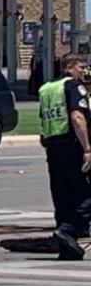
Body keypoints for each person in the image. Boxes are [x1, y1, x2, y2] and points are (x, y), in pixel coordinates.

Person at [38, 54, 91, 260]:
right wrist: (87, 149)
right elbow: (77, 117)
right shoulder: (73, 86)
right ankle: (69, 230)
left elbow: (44, 118)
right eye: (81, 67)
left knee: (62, 196)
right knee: (85, 192)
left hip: (53, 147)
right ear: (69, 67)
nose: (84, 71)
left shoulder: (47, 89)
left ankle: (65, 244)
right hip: (72, 145)